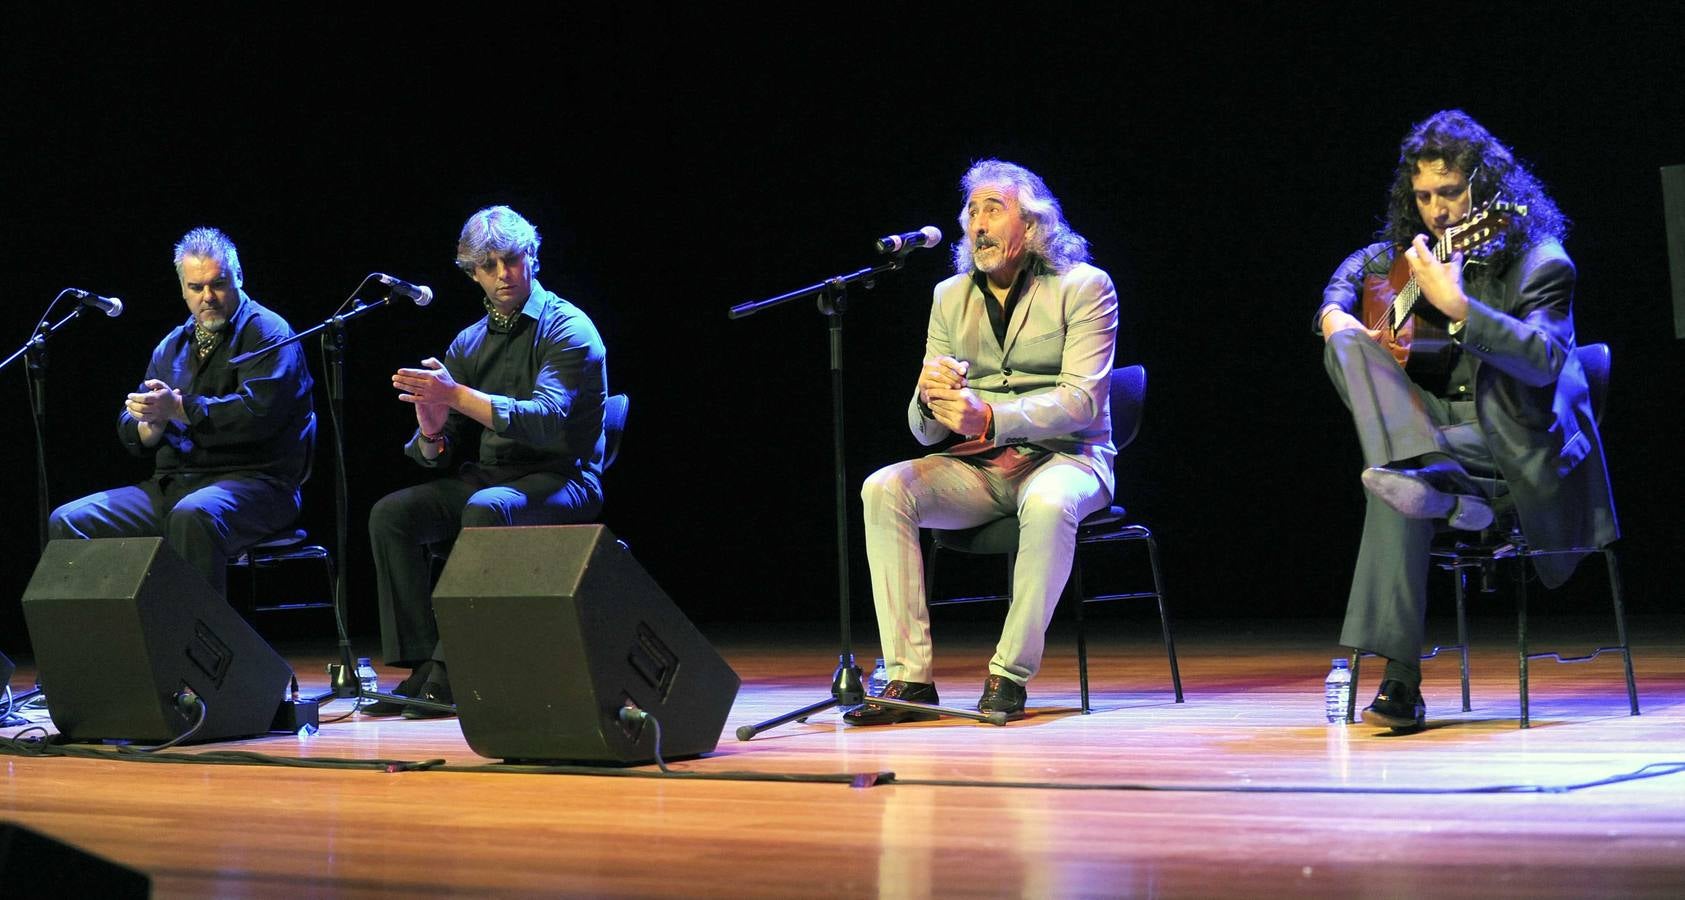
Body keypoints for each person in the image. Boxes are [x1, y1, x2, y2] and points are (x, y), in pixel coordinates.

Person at [1317, 110, 1618, 732]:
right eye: (1423, 196)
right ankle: (1433, 478)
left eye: (1449, 193)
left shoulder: (1542, 261)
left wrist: (1458, 307)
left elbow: (1544, 361)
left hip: (1509, 439)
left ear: (1486, 192)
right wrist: (1332, 312)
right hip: (1431, 427)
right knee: (1347, 351)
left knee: (1394, 485)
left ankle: (1399, 679)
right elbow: (1355, 271)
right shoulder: (1409, 257)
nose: (1436, 210)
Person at [846, 159, 1119, 725]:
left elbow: (1082, 402)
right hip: (980, 468)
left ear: (1033, 223)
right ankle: (909, 679)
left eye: (993, 209)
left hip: (1068, 456)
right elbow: (924, 431)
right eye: (971, 211)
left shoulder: (1085, 287)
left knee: (1046, 504)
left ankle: (1009, 674)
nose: (977, 224)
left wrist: (988, 415)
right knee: (884, 489)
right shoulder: (949, 296)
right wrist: (929, 398)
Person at [363, 205, 607, 718]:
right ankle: (419, 665)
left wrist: (456, 396)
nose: (503, 274)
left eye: (512, 259)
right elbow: (437, 454)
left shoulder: (568, 327)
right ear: (471, 272)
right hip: (492, 478)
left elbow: (546, 419)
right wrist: (431, 425)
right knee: (392, 514)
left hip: (563, 478)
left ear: (532, 257)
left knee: (488, 507)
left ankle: (454, 668)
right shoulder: (469, 341)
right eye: (488, 264)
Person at [48, 226, 316, 599]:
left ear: (238, 277)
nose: (208, 297)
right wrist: (149, 423)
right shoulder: (171, 346)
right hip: (175, 485)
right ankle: (103, 647)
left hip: (258, 484)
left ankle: (194, 651)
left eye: (218, 283)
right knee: (70, 521)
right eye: (195, 287)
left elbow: (258, 415)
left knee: (193, 516)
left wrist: (179, 408)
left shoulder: (269, 333)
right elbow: (135, 423)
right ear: (183, 290)